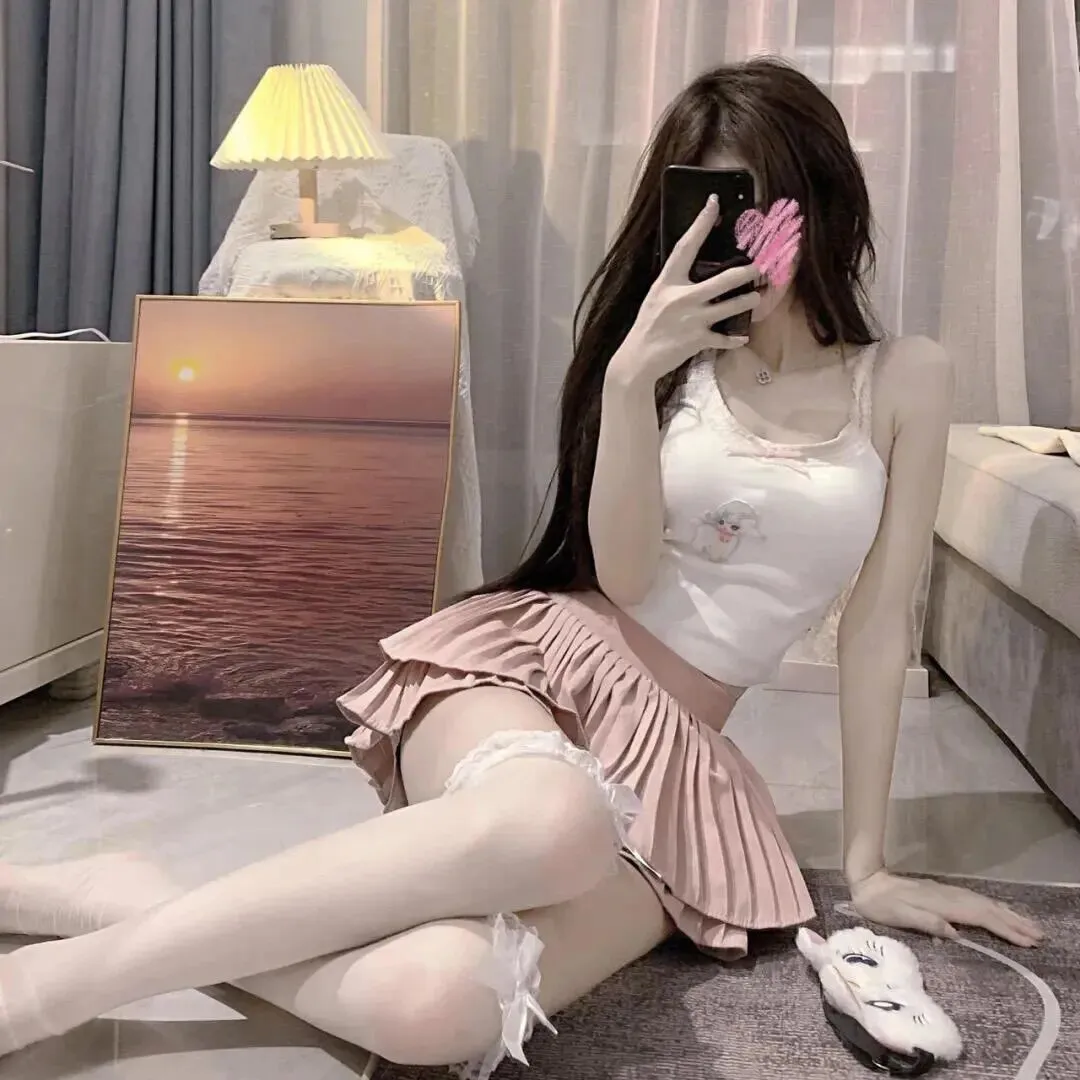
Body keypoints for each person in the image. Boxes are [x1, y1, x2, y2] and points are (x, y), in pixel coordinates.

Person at [0, 56, 1043, 1078]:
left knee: (437, 1005)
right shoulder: (664, 367)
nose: (739, 241)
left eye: (765, 207)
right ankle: (55, 989)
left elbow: (876, 629)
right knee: (553, 821)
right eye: (711, 209)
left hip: (683, 762)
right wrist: (629, 378)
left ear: (822, 203)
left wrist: (868, 863)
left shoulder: (904, 378)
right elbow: (624, 577)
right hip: (538, 680)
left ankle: (122, 897)